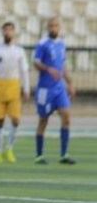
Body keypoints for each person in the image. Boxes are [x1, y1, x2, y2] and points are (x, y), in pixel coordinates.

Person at [0, 21, 30, 163]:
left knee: (16, 120)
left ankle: (9, 148)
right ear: (2, 32)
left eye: (10, 30)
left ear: (14, 32)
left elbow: (24, 71)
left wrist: (26, 88)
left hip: (14, 87)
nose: (7, 33)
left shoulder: (19, 51)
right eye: (5, 30)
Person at [33, 16, 76, 165]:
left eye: (56, 26)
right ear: (47, 28)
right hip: (45, 89)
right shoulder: (42, 44)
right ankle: (39, 155)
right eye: (51, 26)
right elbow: (36, 63)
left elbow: (63, 66)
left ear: (59, 28)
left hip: (59, 89)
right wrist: (48, 69)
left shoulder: (62, 44)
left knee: (66, 116)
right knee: (43, 120)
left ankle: (64, 154)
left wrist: (70, 83)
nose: (53, 28)